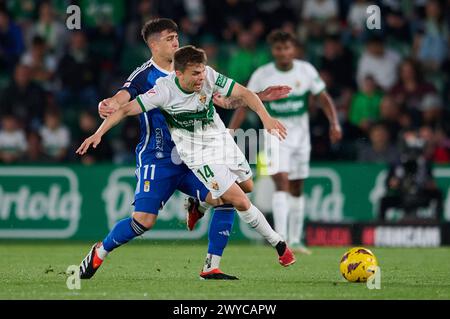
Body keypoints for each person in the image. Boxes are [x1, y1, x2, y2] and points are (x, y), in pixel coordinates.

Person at [78, 19, 291, 281]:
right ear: (154, 45)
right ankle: (101, 250)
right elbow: (124, 98)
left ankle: (211, 265)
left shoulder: (195, 69)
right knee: (143, 221)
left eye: (176, 36)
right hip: (159, 157)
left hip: (196, 153)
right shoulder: (145, 76)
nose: (176, 41)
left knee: (229, 196)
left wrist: (258, 96)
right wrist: (108, 104)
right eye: (169, 38)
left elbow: (223, 100)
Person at [223, 30, 342, 254]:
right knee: (282, 184)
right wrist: (231, 131)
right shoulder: (263, 74)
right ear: (273, 51)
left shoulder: (306, 71)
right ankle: (282, 239)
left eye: (287, 48)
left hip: (301, 138)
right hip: (275, 137)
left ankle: (296, 239)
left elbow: (323, 97)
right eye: (279, 49)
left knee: (296, 187)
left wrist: (334, 123)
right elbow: (245, 102)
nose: (284, 52)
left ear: (293, 49)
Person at [379, 129, 443, 222]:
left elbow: (430, 181)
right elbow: (388, 183)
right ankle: (381, 226)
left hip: (420, 194)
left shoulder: (424, 163)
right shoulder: (397, 163)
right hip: (402, 195)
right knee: (384, 201)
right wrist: (392, 183)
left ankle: (438, 224)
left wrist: (430, 184)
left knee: (438, 194)